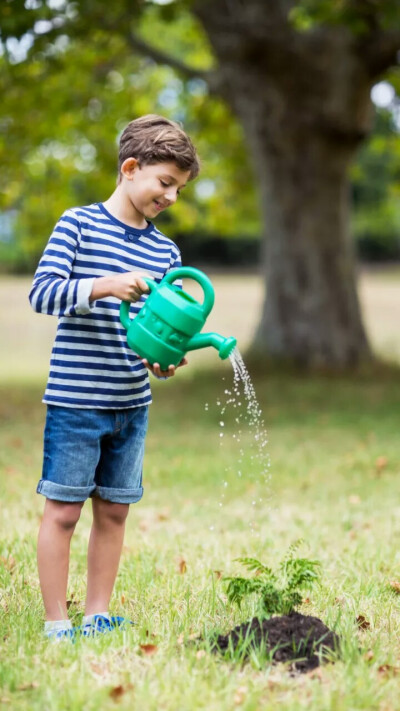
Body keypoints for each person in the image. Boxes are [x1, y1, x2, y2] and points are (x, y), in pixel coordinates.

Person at [29, 114, 200, 640]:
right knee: (62, 511)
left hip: (132, 401)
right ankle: (57, 623)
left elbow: (157, 330)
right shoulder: (77, 225)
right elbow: (43, 292)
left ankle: (97, 614)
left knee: (115, 513)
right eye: (165, 183)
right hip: (77, 399)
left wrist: (163, 360)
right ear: (130, 168)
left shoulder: (165, 251)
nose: (170, 196)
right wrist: (102, 285)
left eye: (179, 189)